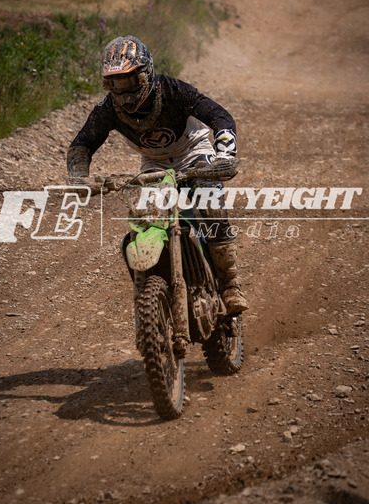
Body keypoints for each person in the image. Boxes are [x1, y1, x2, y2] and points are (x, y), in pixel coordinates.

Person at [67, 35, 248, 318]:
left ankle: (230, 284)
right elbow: (82, 144)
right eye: (116, 84)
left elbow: (220, 116)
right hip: (155, 163)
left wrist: (224, 155)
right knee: (144, 218)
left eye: (129, 81)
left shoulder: (173, 90)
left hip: (194, 152)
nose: (123, 91)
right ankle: (156, 285)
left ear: (147, 73)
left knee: (210, 204)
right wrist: (79, 177)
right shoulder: (108, 109)